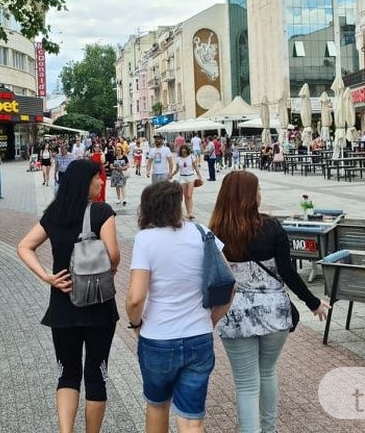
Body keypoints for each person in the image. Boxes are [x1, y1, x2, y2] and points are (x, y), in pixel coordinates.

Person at [209, 171, 330, 433]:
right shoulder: (271, 227)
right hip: (274, 311)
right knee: (267, 372)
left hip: (234, 313)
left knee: (245, 384)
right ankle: (269, 429)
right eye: (258, 189)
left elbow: (211, 278)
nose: (260, 194)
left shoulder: (215, 231)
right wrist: (313, 303)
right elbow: (288, 272)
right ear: (250, 197)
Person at [17, 160, 120, 433]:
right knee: (96, 374)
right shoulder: (102, 212)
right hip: (98, 305)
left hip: (62, 306)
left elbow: (24, 246)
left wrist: (46, 277)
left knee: (67, 373)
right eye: (98, 178)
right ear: (85, 182)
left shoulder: (54, 213)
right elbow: (113, 257)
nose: (101, 183)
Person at [126, 181, 234, 433]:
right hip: (198, 335)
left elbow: (135, 298)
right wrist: (211, 320)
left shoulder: (145, 240)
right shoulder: (201, 233)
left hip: (158, 337)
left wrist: (136, 324)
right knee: (192, 419)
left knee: (157, 406)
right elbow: (230, 284)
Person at [169, 145, 203, 220]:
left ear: (187, 151)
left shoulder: (191, 157)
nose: (183, 152)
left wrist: (199, 176)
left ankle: (190, 212)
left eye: (185, 151)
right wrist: (171, 174)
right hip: (182, 177)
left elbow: (196, 167)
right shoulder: (178, 159)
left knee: (189, 195)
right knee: (184, 195)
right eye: (182, 151)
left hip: (190, 177)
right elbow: (177, 169)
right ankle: (186, 213)